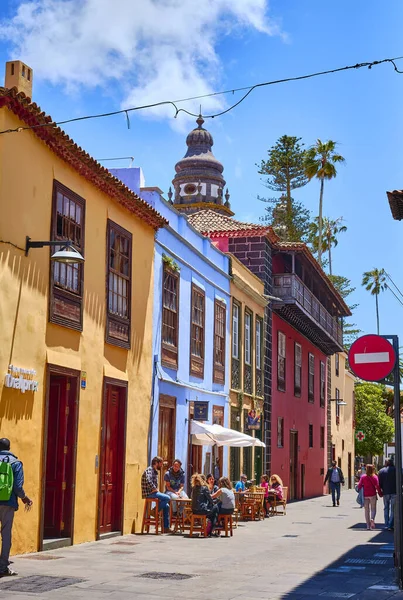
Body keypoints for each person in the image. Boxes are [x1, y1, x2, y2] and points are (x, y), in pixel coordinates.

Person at [0, 438, 33, 578]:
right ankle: (3, 567)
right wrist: (25, 498)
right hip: (8, 502)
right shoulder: (15, 463)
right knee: (6, 534)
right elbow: (18, 486)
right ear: (9, 447)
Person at [141, 456, 171, 533]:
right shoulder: (150, 470)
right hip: (149, 493)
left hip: (154, 492)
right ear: (156, 463)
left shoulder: (154, 471)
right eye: (160, 464)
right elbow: (148, 480)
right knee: (167, 498)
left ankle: (166, 527)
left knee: (166, 506)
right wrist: (153, 488)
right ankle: (154, 511)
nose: (161, 466)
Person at [357, 464, 382, 530]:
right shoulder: (375, 477)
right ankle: (372, 519)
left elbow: (359, 485)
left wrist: (359, 489)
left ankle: (368, 526)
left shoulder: (363, 477)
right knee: (373, 509)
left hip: (365, 495)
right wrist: (380, 493)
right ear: (373, 469)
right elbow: (377, 486)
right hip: (373, 494)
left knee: (366, 510)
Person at [378, 459, 396, 531]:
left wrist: (381, 489)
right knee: (393, 509)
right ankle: (390, 525)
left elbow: (379, 483)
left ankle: (386, 523)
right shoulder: (397, 469)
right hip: (395, 491)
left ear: (386, 463)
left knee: (386, 507)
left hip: (385, 492)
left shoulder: (381, 471)